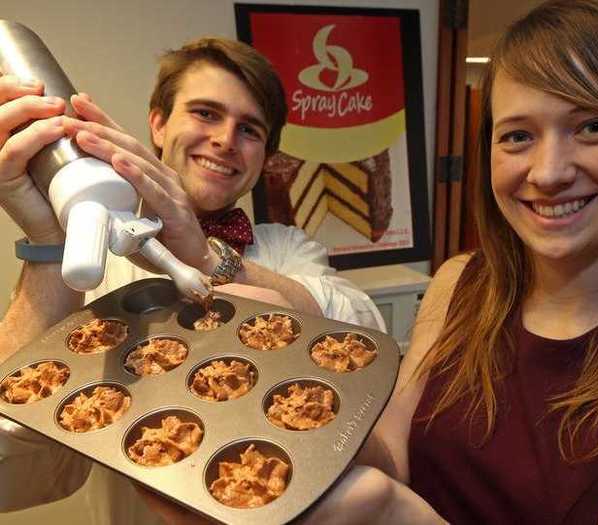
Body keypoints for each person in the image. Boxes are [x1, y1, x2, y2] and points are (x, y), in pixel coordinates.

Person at [301, 0, 598, 523]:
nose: (548, 172)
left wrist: (388, 511)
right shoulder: (460, 282)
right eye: (518, 136)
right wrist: (317, 427)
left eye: (595, 126)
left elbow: (386, 498)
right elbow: (394, 453)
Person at [0, 37, 384, 523]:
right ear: (158, 124)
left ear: (265, 157)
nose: (225, 139)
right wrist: (49, 245)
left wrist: (205, 256)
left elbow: (364, 325)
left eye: (249, 129)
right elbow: (13, 478)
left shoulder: (287, 248)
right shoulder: (88, 266)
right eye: (205, 113)